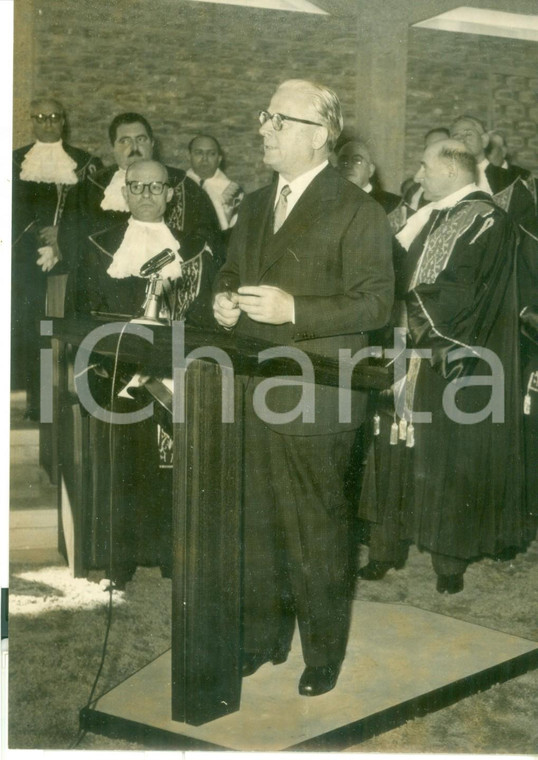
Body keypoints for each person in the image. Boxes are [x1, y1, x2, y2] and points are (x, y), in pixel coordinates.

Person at [213, 79, 394, 696]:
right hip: (255, 391)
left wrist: (295, 309)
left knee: (318, 535)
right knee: (258, 527)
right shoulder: (258, 204)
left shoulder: (357, 210)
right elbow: (234, 269)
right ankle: (262, 640)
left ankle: (323, 655)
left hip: (321, 398)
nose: (262, 127)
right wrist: (225, 299)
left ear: (318, 136)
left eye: (276, 120)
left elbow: (375, 302)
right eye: (264, 116)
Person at [357, 139, 528, 594]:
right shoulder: (425, 213)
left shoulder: (486, 219)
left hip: (449, 356)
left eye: (425, 165)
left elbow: (464, 291)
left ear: (452, 171)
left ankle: (447, 563)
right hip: (396, 345)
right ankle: (384, 549)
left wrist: (404, 307)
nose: (418, 173)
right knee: (389, 446)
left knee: (445, 457)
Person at [70, 159, 218, 587]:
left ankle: (173, 555)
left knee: (174, 470)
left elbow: (206, 314)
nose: (147, 195)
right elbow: (82, 313)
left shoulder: (195, 249)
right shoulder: (98, 244)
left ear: (171, 193)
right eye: (138, 187)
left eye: (157, 187)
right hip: (118, 374)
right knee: (123, 472)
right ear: (125, 192)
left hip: (176, 376)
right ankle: (120, 561)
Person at [59, 112, 223, 303]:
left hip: (172, 292)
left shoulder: (186, 187)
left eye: (141, 139)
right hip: (107, 295)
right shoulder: (86, 191)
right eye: (124, 141)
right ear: (113, 146)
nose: (134, 148)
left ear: (152, 144)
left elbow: (207, 242)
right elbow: (73, 249)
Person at [12, 97, 102, 419]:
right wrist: (39, 233)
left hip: (71, 258)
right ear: (32, 121)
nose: (48, 123)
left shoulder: (85, 161)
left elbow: (94, 211)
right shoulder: (13, 161)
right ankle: (39, 404)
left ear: (63, 121)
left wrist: (61, 234)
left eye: (54, 117)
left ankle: (71, 405)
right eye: (40, 117)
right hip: (25, 262)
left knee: (67, 329)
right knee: (32, 330)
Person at [186, 134, 243, 235]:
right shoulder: (179, 186)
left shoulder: (234, 192)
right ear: (189, 156)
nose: (204, 158)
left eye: (211, 154)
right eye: (198, 153)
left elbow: (239, 232)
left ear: (219, 158)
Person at [336, 139, 400, 214]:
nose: (350, 166)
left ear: (370, 169)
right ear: (337, 169)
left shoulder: (392, 203)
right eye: (344, 161)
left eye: (357, 160)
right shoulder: (327, 203)